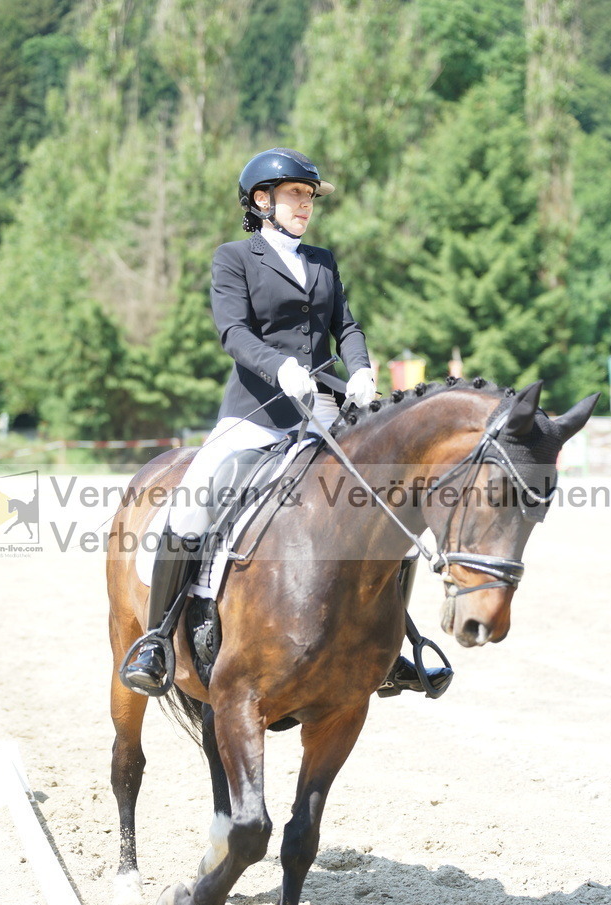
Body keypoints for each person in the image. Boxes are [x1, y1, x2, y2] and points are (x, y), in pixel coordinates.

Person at [122, 148, 451, 698]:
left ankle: (393, 647)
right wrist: (280, 368)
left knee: (389, 505)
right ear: (262, 199)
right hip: (256, 413)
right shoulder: (234, 258)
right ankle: (157, 640)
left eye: (309, 196)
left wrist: (363, 369)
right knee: (195, 496)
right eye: (296, 194)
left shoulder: (322, 261)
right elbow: (233, 332)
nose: (306, 205)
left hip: (325, 410)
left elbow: (346, 324)